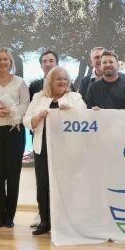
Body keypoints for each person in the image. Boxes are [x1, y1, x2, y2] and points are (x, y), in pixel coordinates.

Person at [24, 66, 86, 235]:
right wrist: (37, 117)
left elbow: (84, 119)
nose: (63, 81)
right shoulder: (38, 97)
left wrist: (71, 113)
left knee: (65, 186)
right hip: (42, 148)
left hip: (67, 151)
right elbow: (26, 120)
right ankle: (45, 222)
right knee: (43, 186)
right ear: (50, 80)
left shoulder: (75, 97)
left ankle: (65, 223)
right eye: (59, 78)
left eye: (65, 79)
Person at [0, 47, 30, 228]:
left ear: (11, 62)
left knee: (13, 175)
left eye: (5, 59)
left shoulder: (20, 82)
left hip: (14, 133)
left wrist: (13, 110)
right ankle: (0, 216)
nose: (2, 62)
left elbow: (26, 104)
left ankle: (10, 217)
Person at [28, 50, 58, 228]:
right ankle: (43, 216)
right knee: (42, 182)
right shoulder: (35, 87)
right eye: (44, 61)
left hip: (61, 144)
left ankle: (58, 217)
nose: (48, 63)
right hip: (41, 141)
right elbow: (30, 113)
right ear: (41, 65)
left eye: (51, 60)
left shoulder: (68, 87)